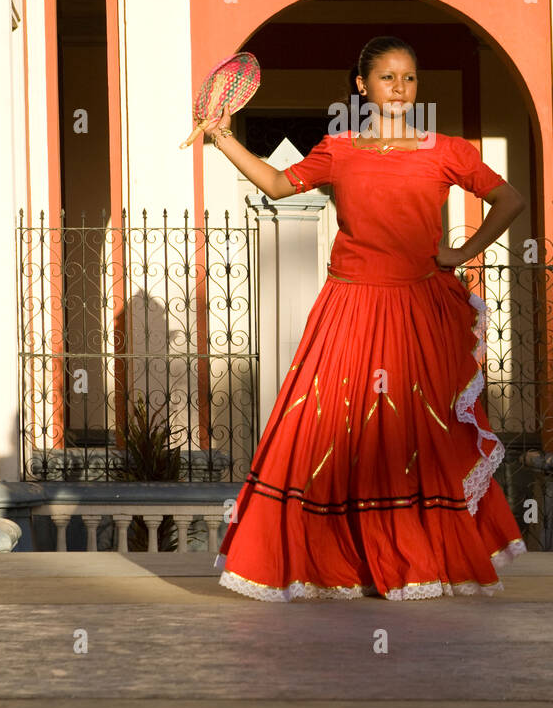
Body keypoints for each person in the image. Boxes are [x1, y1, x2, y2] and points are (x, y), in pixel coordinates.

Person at [198, 35, 529, 601]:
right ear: (362, 86)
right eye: (387, 78)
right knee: (326, 430)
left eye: (409, 79)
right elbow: (280, 184)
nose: (400, 89)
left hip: (419, 307)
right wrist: (221, 136)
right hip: (349, 305)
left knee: (422, 433)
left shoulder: (447, 150)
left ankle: (425, 557)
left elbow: (510, 200)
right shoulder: (340, 148)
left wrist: (460, 253)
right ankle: (338, 562)